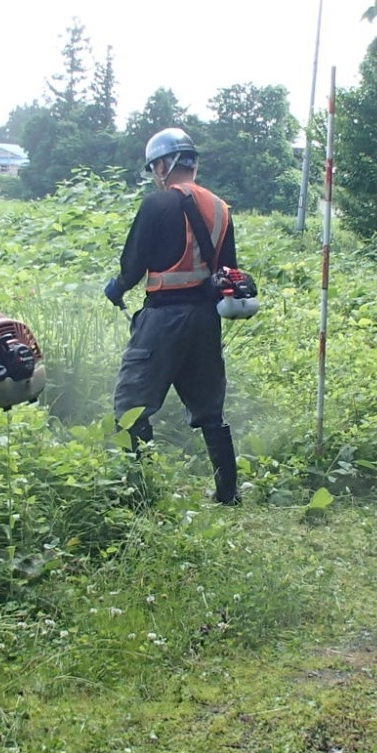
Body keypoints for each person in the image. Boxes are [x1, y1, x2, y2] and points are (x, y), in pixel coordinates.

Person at [103, 128, 240, 504]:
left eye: (154, 168)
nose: (154, 175)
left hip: (163, 318)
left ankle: (140, 494)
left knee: (131, 406)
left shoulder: (157, 204)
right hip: (205, 320)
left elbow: (133, 264)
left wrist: (117, 287)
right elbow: (228, 270)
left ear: (165, 164)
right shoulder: (221, 209)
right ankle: (228, 493)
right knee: (210, 410)